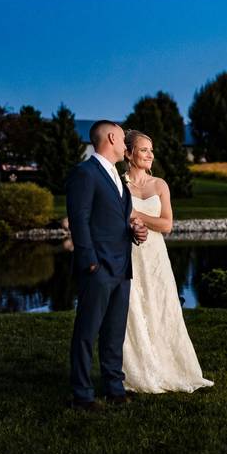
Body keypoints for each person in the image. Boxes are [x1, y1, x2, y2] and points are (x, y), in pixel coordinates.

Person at [121, 129, 213, 393]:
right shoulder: (119, 186)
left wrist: (136, 213)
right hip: (128, 256)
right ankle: (137, 373)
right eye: (144, 150)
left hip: (155, 258)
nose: (150, 155)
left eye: (151, 150)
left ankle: (170, 369)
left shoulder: (159, 185)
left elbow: (167, 224)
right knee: (133, 312)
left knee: (161, 309)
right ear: (128, 153)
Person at [66, 121, 148, 411]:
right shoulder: (85, 173)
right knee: (87, 333)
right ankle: (82, 394)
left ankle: (115, 388)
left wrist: (136, 232)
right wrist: (90, 264)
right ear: (112, 137)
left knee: (114, 333)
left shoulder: (115, 175)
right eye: (122, 135)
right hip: (98, 268)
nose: (126, 140)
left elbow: (117, 219)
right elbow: (80, 220)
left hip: (122, 267)